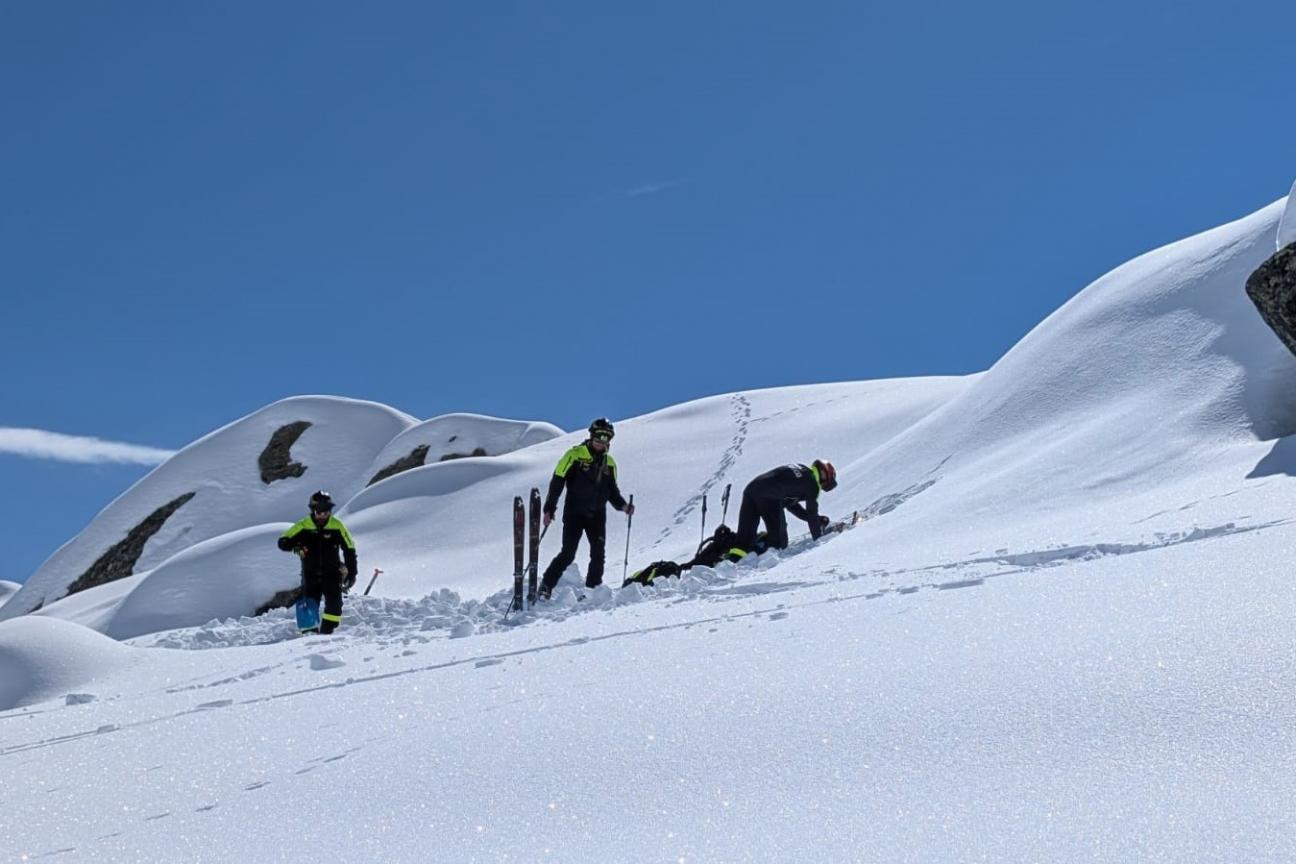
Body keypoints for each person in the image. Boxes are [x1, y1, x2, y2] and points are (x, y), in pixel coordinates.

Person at [538, 418, 634, 598]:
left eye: (605, 441)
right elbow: (558, 480)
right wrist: (549, 508)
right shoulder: (574, 455)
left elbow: (612, 492)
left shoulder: (610, 463)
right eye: (598, 440)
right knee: (568, 554)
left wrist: (623, 506)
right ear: (591, 437)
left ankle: (592, 590)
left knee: (598, 554)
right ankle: (546, 585)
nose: (600, 444)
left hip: (597, 515)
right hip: (574, 513)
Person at [278, 490, 358, 634]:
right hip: (310, 575)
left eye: (327, 512)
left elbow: (349, 549)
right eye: (320, 512)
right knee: (308, 608)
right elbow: (283, 542)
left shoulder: (337, 526)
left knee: (334, 607)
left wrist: (352, 573)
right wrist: (296, 547)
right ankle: (310, 638)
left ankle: (326, 634)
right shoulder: (303, 525)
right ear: (313, 511)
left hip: (332, 574)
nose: (323, 515)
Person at [728, 460, 837, 561]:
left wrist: (818, 520)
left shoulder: (803, 471)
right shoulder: (812, 484)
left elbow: (792, 505)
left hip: (751, 489)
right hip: (769, 495)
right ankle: (766, 566)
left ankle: (732, 563)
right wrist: (819, 542)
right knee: (779, 543)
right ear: (825, 477)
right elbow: (811, 513)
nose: (822, 487)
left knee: (745, 538)